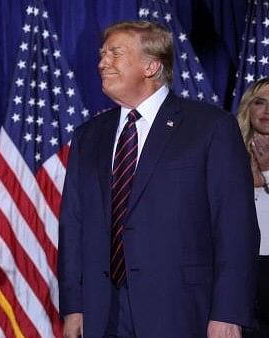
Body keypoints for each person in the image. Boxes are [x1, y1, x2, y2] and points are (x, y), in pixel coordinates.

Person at [57, 20, 259, 338]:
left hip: (182, 308)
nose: (101, 62)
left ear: (151, 65)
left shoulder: (211, 127)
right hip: (103, 310)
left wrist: (228, 311)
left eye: (115, 53)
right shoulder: (89, 136)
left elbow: (235, 227)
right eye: (102, 54)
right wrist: (74, 306)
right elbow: (73, 225)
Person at [236, 78, 269, 337]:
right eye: (260, 102)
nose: (267, 110)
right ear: (248, 108)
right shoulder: (228, 151)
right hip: (243, 265)